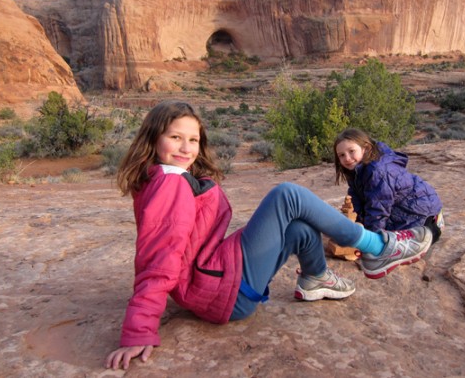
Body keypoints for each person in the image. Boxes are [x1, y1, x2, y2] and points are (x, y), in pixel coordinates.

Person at [105, 101, 424, 370]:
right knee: (287, 196)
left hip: (216, 275)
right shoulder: (169, 185)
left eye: (193, 139)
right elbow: (159, 258)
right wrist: (138, 331)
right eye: (175, 137)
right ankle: (376, 245)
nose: (187, 148)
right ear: (154, 138)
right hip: (222, 294)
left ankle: (316, 278)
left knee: (299, 227)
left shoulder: (170, 177)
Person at [333, 128, 444, 279]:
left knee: (383, 245)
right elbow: (360, 201)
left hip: (421, 213)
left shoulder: (378, 171)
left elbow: (378, 208)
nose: (347, 158)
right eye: (341, 155)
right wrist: (362, 226)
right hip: (406, 211)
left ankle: (427, 233)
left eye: (351, 151)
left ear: (366, 148)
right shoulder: (359, 171)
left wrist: (371, 242)